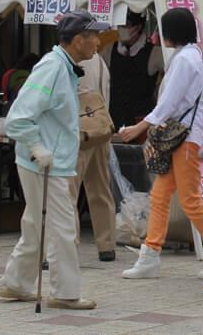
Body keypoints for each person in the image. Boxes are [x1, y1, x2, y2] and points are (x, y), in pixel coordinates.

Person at [0, 10, 108, 310]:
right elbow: (18, 117)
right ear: (78, 40)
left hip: (48, 160)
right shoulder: (53, 67)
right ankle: (65, 292)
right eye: (94, 36)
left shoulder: (63, 66)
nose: (98, 42)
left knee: (36, 224)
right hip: (44, 162)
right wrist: (36, 146)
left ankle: (15, 283)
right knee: (62, 228)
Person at [119, 8, 203, 279]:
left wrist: (140, 127)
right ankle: (150, 254)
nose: (159, 35)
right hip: (184, 137)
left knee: (189, 200)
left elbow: (169, 102)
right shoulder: (191, 56)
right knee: (161, 197)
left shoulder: (184, 59)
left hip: (185, 139)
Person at [69, 51, 117, 262]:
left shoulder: (73, 59)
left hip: (79, 132)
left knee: (68, 192)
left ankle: (68, 244)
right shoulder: (99, 61)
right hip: (101, 128)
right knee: (100, 189)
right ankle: (107, 245)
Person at [103, 10, 163, 130]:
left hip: (142, 122)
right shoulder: (109, 50)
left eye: (126, 25)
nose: (122, 29)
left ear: (138, 27)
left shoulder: (155, 53)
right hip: (113, 119)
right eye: (120, 25)